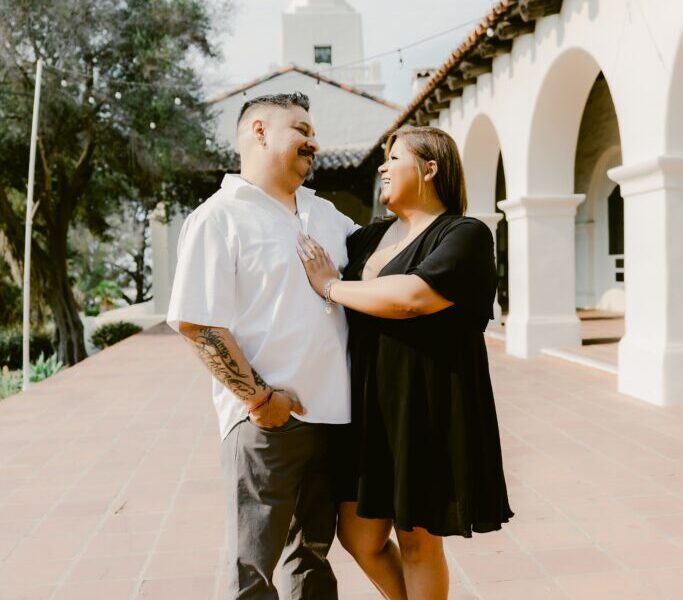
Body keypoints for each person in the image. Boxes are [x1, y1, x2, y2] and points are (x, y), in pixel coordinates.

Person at [297, 125, 514, 600]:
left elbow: (412, 298)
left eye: (394, 158)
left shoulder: (464, 234)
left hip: (425, 405)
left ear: (430, 168)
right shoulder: (366, 239)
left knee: (417, 541)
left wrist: (331, 287)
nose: (382, 167)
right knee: (359, 537)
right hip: (367, 406)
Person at [167, 92, 357, 599]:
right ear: (258, 131)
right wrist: (260, 400)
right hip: (267, 425)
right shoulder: (219, 217)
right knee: (250, 573)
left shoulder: (326, 214)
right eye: (301, 129)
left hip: (332, 420)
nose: (314, 142)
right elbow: (197, 324)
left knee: (312, 565)